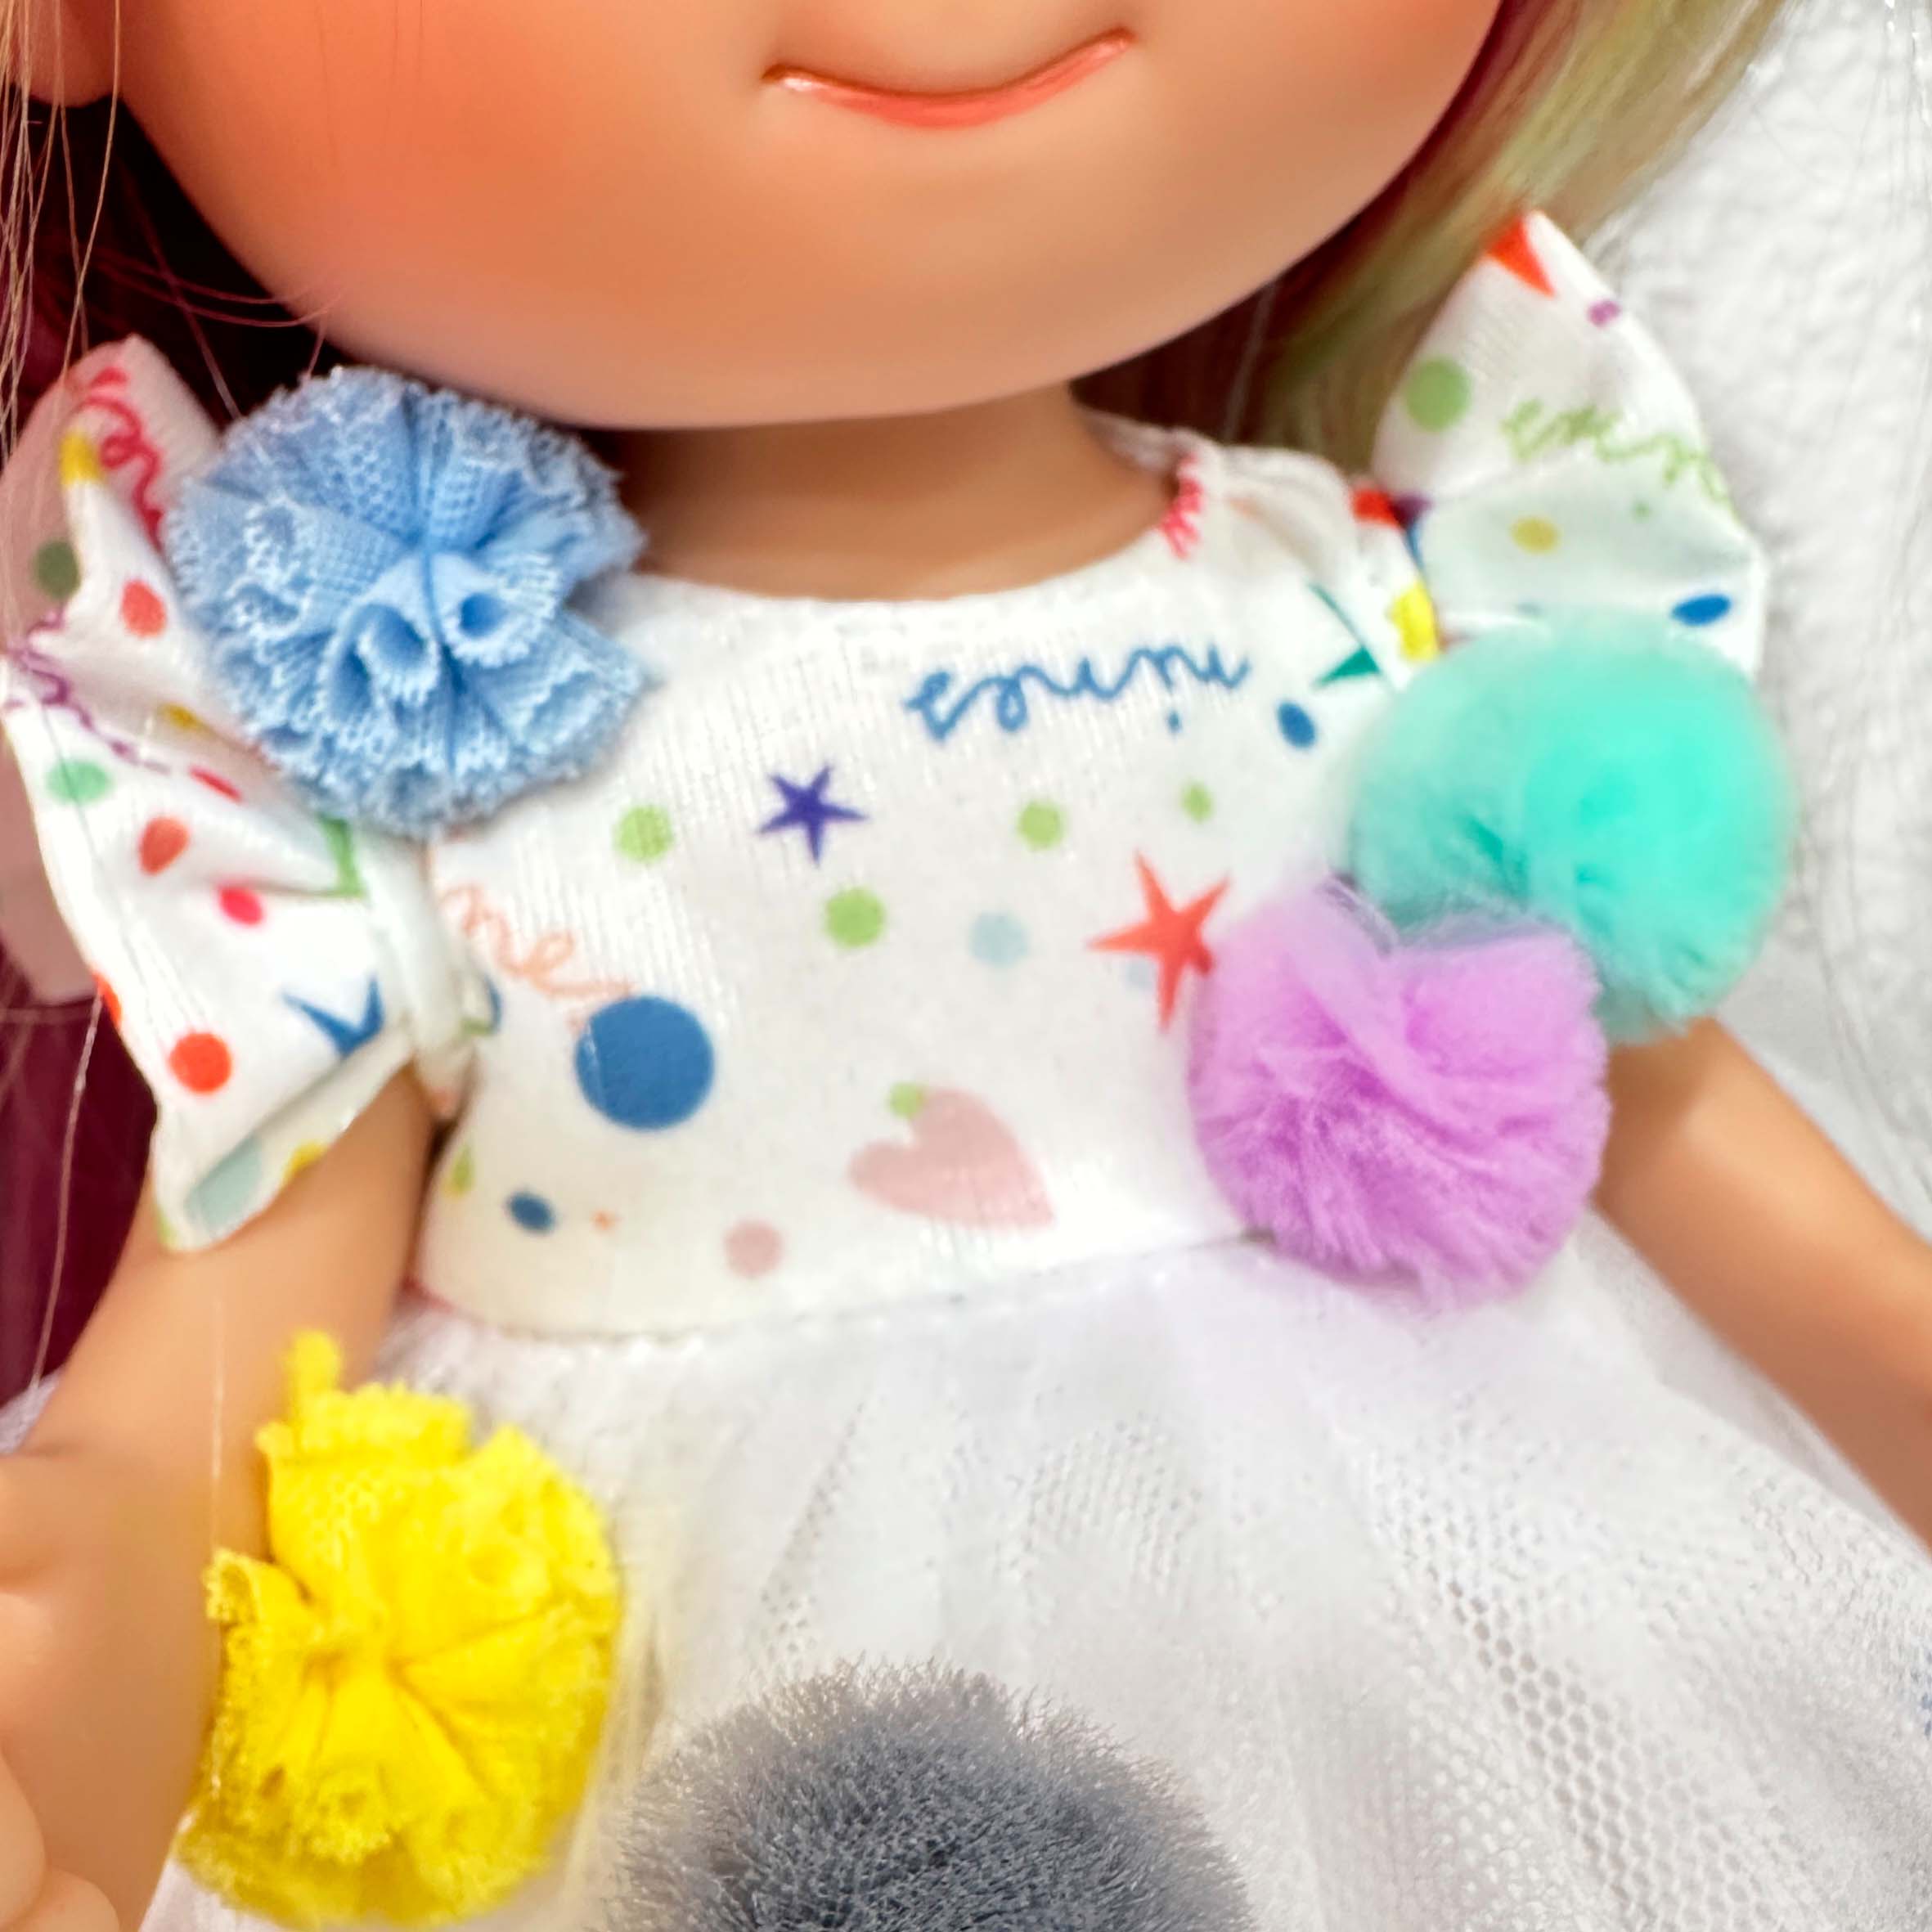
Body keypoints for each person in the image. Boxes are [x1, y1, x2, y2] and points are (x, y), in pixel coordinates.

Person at [2, 2, 1929, 1927]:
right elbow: (257, 1271)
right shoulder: (412, 749)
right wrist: (103, 1573)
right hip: (672, 1660)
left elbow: (1637, 1091)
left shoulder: (1356, 614)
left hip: (1406, 1601)